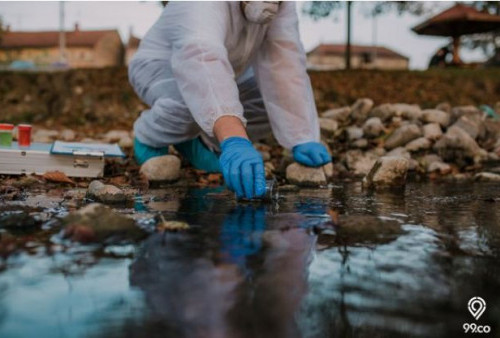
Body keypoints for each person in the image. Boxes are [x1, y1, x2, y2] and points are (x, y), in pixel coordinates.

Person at [129, 1, 331, 199]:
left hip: (228, 69)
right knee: (190, 102)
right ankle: (150, 137)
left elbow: (284, 63)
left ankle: (200, 140)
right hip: (159, 67)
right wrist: (235, 140)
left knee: (268, 103)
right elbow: (202, 61)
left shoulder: (282, 5)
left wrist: (302, 136)